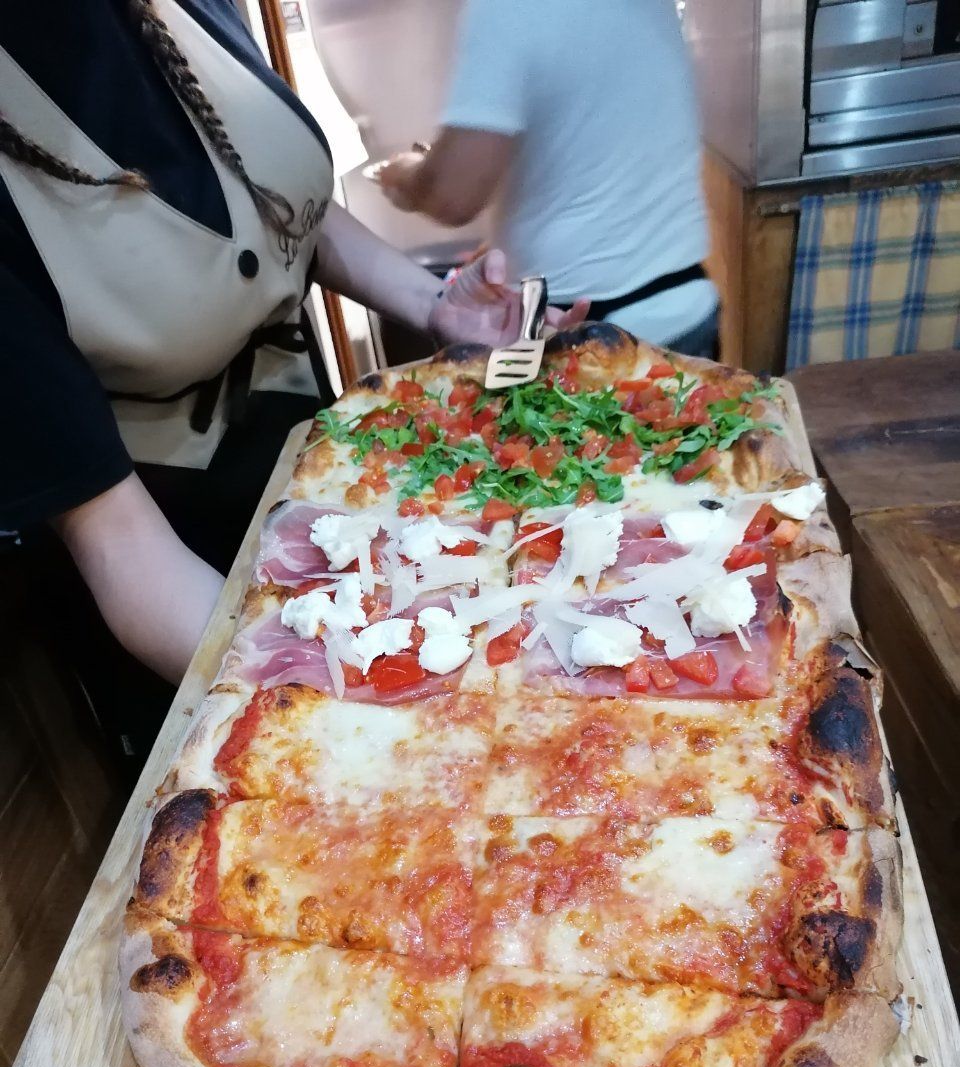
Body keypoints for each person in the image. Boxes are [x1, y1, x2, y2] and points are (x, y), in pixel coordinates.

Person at [0, 0, 586, 698]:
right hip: (182, 553)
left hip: (326, 466)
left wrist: (430, 301)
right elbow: (121, 543)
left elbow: (276, 202)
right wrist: (334, 708)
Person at [378, 0, 719, 358]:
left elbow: (452, 195)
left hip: (580, 336)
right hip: (686, 306)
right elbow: (585, 143)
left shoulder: (505, 9)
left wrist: (402, 173)